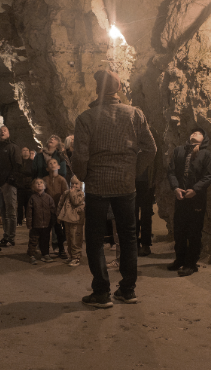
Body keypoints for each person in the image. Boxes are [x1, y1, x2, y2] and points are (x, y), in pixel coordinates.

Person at [73, 69, 156, 308]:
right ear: (119, 88)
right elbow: (150, 149)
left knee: (95, 239)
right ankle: (127, 290)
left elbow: (80, 156)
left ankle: (101, 292)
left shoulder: (86, 118)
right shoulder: (135, 114)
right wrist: (132, 171)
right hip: (125, 185)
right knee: (128, 237)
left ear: (97, 89)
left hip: (97, 185)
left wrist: (84, 176)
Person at [166, 127, 211, 277]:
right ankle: (179, 259)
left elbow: (208, 176)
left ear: (204, 139)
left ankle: (191, 263)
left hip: (197, 199)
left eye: (199, 133)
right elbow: (171, 171)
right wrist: (175, 188)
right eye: (193, 132)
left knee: (194, 232)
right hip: (181, 197)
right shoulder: (179, 151)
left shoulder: (206, 154)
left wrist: (195, 190)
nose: (195, 133)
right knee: (179, 230)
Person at [0, 125, 21, 247]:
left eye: (5, 130)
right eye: (1, 131)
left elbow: (17, 165)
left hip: (9, 184)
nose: (2, 132)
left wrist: (10, 180)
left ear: (8, 134)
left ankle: (11, 237)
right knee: (3, 212)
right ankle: (6, 236)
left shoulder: (13, 147)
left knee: (11, 211)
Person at [26, 178, 56, 265]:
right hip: (35, 224)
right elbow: (29, 212)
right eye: (37, 183)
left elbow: (53, 210)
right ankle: (31, 255)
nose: (39, 184)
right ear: (33, 187)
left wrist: (53, 222)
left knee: (45, 240)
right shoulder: (32, 198)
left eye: (41, 182)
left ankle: (45, 254)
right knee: (33, 240)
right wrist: (29, 223)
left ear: (45, 186)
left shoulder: (48, 197)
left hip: (46, 224)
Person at [57, 176, 85, 266]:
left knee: (75, 239)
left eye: (76, 184)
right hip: (67, 219)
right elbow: (61, 203)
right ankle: (71, 256)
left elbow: (76, 202)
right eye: (72, 183)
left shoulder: (81, 194)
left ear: (80, 185)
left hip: (76, 220)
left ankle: (76, 257)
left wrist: (72, 193)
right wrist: (59, 215)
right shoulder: (66, 193)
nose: (74, 185)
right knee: (69, 238)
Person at [44, 158, 69, 259]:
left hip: (58, 209)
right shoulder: (45, 179)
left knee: (59, 230)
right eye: (50, 163)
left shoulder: (61, 180)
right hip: (48, 209)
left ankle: (61, 249)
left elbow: (65, 193)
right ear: (47, 168)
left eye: (54, 163)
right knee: (46, 230)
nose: (52, 164)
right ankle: (45, 251)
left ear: (58, 166)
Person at [135, 165, 156, 257]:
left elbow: (158, 163)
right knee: (133, 215)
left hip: (148, 183)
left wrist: (156, 180)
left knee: (146, 215)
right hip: (132, 182)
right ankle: (134, 244)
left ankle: (145, 244)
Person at [15, 147, 34, 228]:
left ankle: (27, 219)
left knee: (28, 204)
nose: (25, 152)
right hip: (20, 186)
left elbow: (32, 172)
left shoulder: (32, 162)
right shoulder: (19, 162)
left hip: (29, 186)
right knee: (20, 204)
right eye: (24, 150)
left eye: (27, 150)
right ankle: (19, 220)